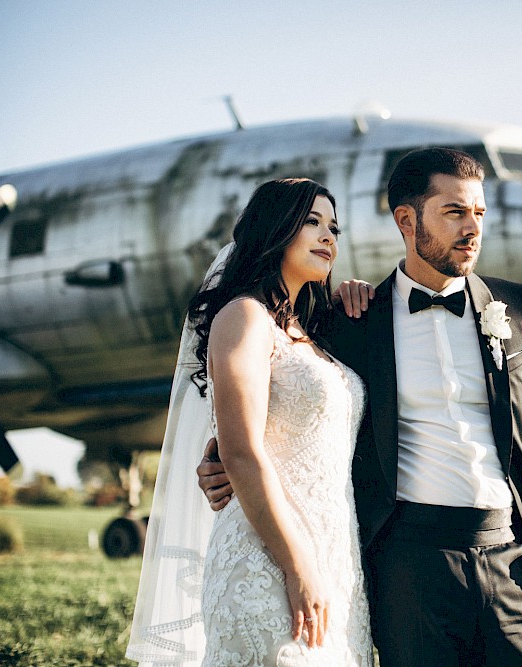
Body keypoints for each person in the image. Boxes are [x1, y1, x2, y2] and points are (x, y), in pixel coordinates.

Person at [200, 149, 522, 665]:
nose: (472, 228)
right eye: (455, 212)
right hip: (406, 566)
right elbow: (282, 399)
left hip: (515, 559)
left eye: (478, 213)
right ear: (407, 220)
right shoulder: (348, 323)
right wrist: (219, 460)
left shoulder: (520, 309)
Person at [127, 178, 372, 666]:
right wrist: (297, 567)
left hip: (336, 557)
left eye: (334, 228)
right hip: (266, 560)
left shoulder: (311, 334)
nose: (329, 237)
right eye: (312, 222)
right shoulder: (243, 317)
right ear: (275, 229)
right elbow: (240, 451)